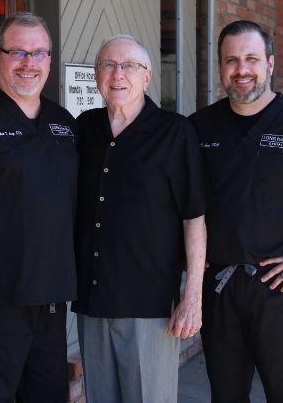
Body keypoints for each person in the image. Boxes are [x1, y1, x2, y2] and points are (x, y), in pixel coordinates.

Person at [0, 12, 78, 402]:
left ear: (50, 61)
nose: (29, 63)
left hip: (52, 303)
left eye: (39, 53)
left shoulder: (64, 123)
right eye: (18, 51)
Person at [72, 34, 207, 403]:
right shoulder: (84, 129)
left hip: (149, 306)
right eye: (108, 65)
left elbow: (194, 217)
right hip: (92, 299)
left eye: (129, 65)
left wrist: (191, 296)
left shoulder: (175, 132)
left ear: (147, 76)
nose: (118, 74)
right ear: (97, 74)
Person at [189, 20, 283, 403]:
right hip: (219, 286)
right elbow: (183, 202)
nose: (241, 69)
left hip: (282, 290)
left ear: (270, 63)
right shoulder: (199, 127)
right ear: (220, 67)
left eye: (251, 58)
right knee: (227, 394)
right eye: (231, 60)